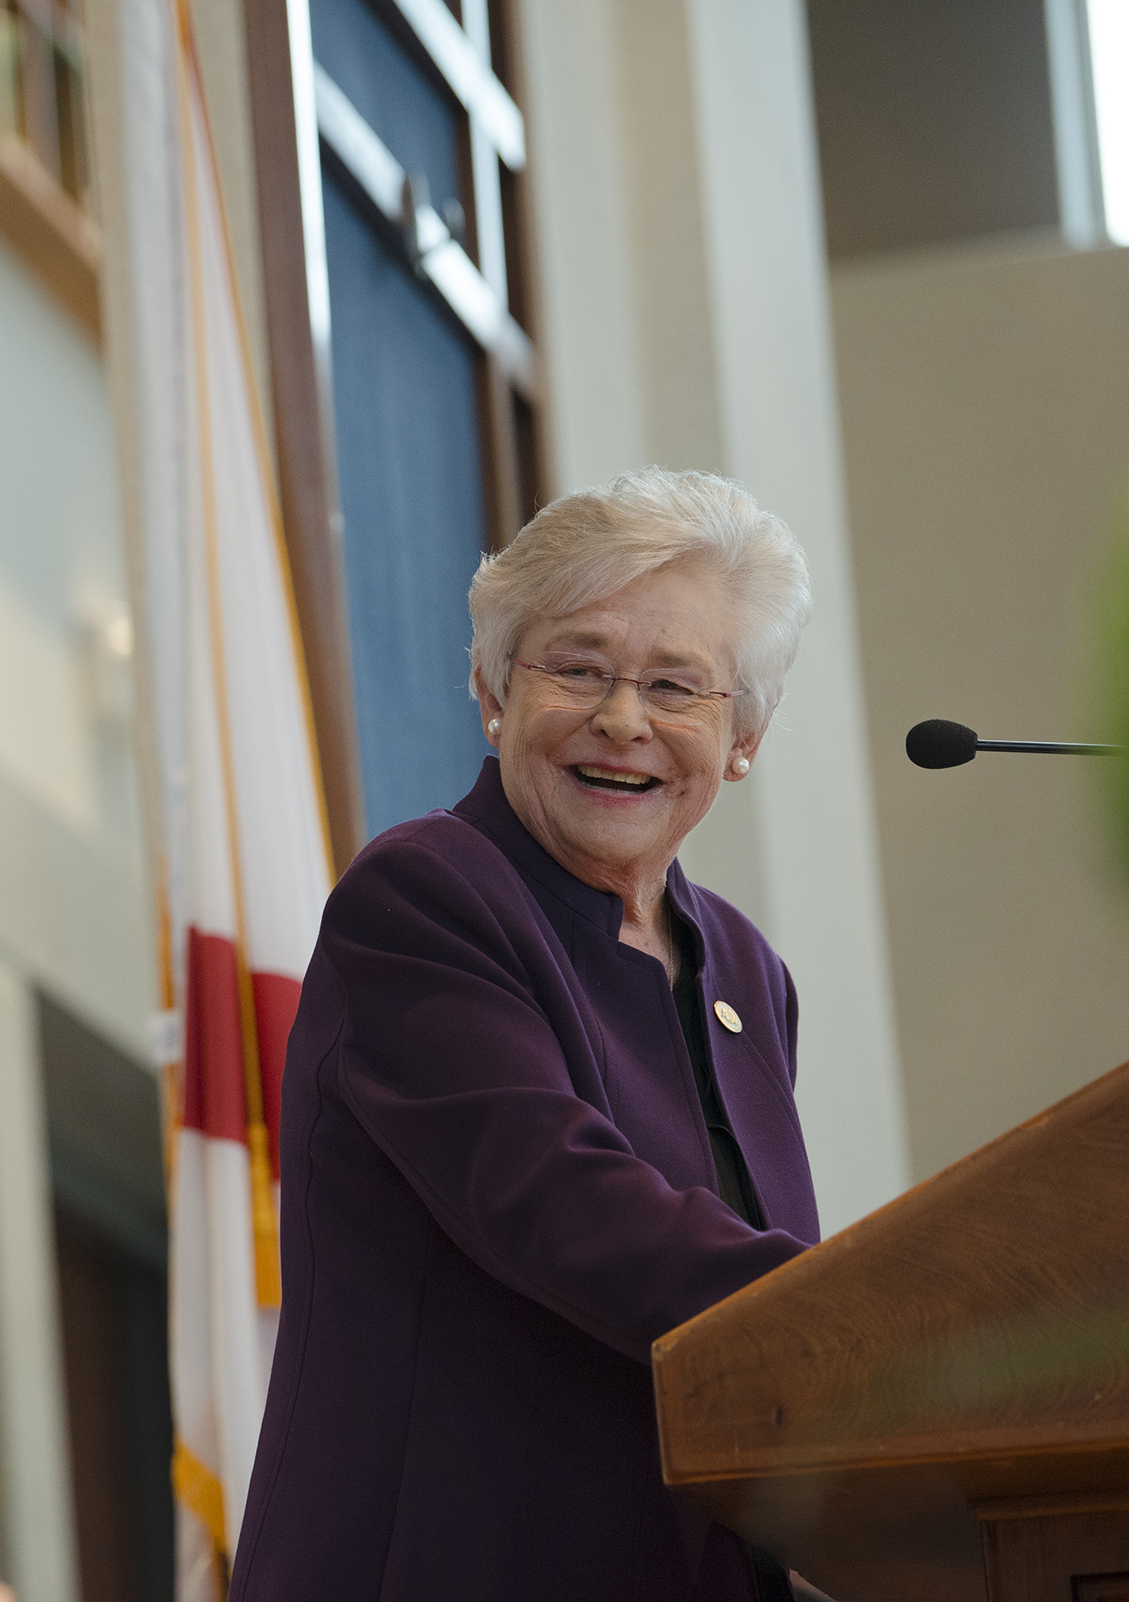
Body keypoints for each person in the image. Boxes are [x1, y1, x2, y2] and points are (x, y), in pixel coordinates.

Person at [229, 469, 831, 1602]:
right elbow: (563, 1207)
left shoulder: (745, 970)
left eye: (674, 685)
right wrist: (883, 1322)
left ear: (742, 734)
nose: (623, 720)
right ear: (494, 689)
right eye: (579, 668)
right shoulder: (424, 898)